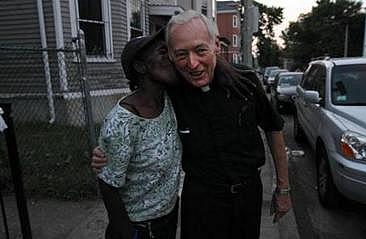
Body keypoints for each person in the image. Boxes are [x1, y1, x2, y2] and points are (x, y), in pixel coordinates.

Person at [93, 10, 292, 239]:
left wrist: (283, 188)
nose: (193, 63)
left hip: (248, 197)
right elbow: (133, 119)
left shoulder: (244, 81)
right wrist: (105, 152)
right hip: (201, 202)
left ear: (216, 46)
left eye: (200, 50)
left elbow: (273, 128)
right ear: (172, 57)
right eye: (181, 54)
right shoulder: (173, 91)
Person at [95, 29, 182, 239]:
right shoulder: (122, 122)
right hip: (139, 228)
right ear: (140, 66)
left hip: (168, 219)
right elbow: (108, 185)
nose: (171, 57)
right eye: (163, 52)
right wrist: (126, 232)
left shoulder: (171, 100)